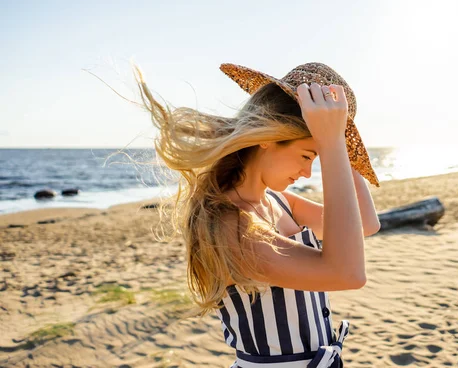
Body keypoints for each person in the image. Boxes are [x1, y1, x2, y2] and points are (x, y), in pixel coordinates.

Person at [130, 61, 381, 367]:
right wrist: (329, 146)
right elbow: (348, 274)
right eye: (306, 156)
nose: (306, 172)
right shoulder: (228, 224)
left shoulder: (278, 201)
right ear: (268, 137)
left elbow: (366, 223)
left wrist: (337, 140)